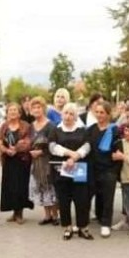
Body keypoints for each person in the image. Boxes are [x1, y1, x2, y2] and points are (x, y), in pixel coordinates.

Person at [49, 103, 93, 240]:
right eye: (66, 113)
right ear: (62, 115)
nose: (68, 116)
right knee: (64, 199)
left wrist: (76, 156)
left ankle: (83, 227)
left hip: (78, 168)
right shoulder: (55, 130)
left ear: (75, 116)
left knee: (82, 199)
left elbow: (87, 145)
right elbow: (52, 147)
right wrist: (69, 154)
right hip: (61, 169)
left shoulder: (82, 130)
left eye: (71, 114)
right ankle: (67, 227)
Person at [87, 101, 120, 237]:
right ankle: (96, 217)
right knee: (91, 194)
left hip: (109, 168)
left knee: (107, 197)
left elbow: (118, 150)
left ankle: (106, 223)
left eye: (102, 112)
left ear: (108, 114)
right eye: (97, 112)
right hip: (93, 168)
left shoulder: (114, 130)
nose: (99, 115)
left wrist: (115, 169)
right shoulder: (90, 130)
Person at [0, 103, 34, 223]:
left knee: (20, 186)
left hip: (21, 160)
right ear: (7, 113)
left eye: (15, 110)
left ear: (19, 113)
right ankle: (13, 212)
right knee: (10, 186)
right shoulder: (4, 126)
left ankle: (20, 213)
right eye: (10, 110)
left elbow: (29, 141)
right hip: (8, 160)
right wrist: (6, 150)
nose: (12, 112)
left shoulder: (26, 126)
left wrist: (16, 149)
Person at [28, 96, 59, 225]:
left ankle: (55, 215)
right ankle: (47, 215)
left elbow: (53, 144)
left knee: (50, 187)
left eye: (39, 107)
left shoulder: (50, 126)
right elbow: (29, 142)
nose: (36, 109)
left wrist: (41, 151)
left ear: (43, 109)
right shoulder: (31, 126)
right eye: (34, 107)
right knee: (40, 187)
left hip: (47, 160)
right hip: (35, 162)